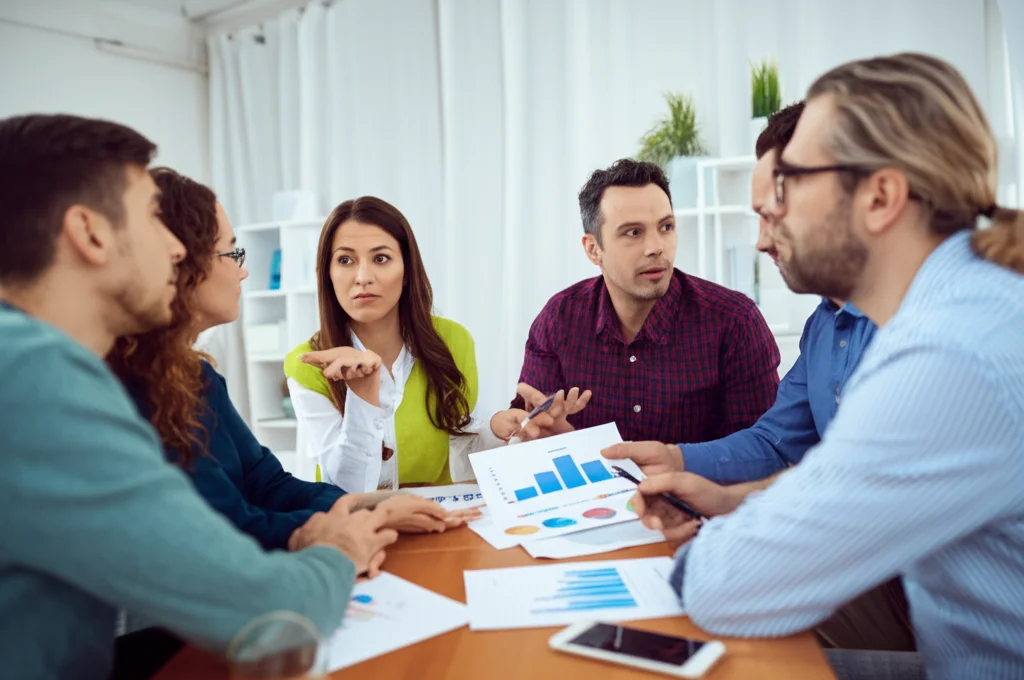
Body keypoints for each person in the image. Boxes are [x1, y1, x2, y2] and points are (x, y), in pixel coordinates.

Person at [620, 53, 1024, 680]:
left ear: (881, 197)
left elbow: (724, 584)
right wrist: (727, 499)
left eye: (788, 187)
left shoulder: (948, 354)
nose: (765, 230)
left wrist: (719, 536)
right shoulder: (969, 306)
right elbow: (832, 473)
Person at [0, 113, 396, 680]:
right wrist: (337, 547)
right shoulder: (38, 379)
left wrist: (354, 513)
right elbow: (265, 607)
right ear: (89, 232)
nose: (174, 247)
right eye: (148, 218)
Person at [604, 103, 914, 653]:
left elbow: (859, 488)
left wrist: (731, 510)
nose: (762, 242)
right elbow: (777, 439)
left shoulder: (924, 331)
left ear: (874, 198)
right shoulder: (826, 324)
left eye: (776, 215)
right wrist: (677, 461)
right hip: (887, 583)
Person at [109, 168, 479, 553]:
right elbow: (230, 519)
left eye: (381, 258)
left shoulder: (197, 375)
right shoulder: (132, 388)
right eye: (231, 253)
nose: (244, 270)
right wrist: (365, 515)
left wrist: (372, 507)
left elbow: (266, 483)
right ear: (176, 261)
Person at [491, 159, 781, 445]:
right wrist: (540, 435)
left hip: (698, 493)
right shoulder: (559, 319)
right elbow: (530, 425)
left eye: (666, 227)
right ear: (593, 250)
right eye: (633, 232)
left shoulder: (734, 321)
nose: (656, 247)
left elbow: (763, 451)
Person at [286, 196, 520, 492]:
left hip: (440, 518)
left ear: (408, 270)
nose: (362, 277)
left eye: (380, 258)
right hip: (360, 525)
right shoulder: (306, 363)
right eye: (345, 260)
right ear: (327, 275)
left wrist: (501, 429)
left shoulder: (452, 341)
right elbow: (349, 486)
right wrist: (362, 398)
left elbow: (457, 441)